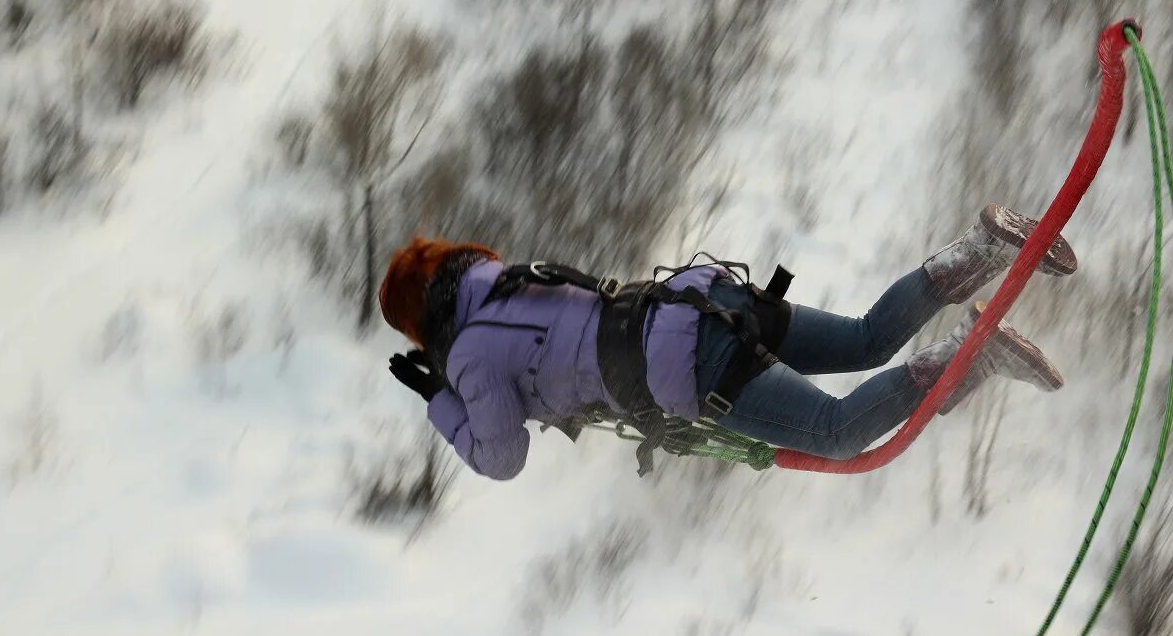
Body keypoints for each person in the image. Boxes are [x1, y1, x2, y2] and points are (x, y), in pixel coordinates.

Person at [379, 204, 1074, 480]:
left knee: (837, 430)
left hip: (689, 362)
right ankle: (984, 246)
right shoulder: (501, 279)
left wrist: (443, 400)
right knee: (866, 338)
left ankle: (974, 351)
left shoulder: (469, 355)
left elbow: (503, 456)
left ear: (419, 325)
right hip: (702, 297)